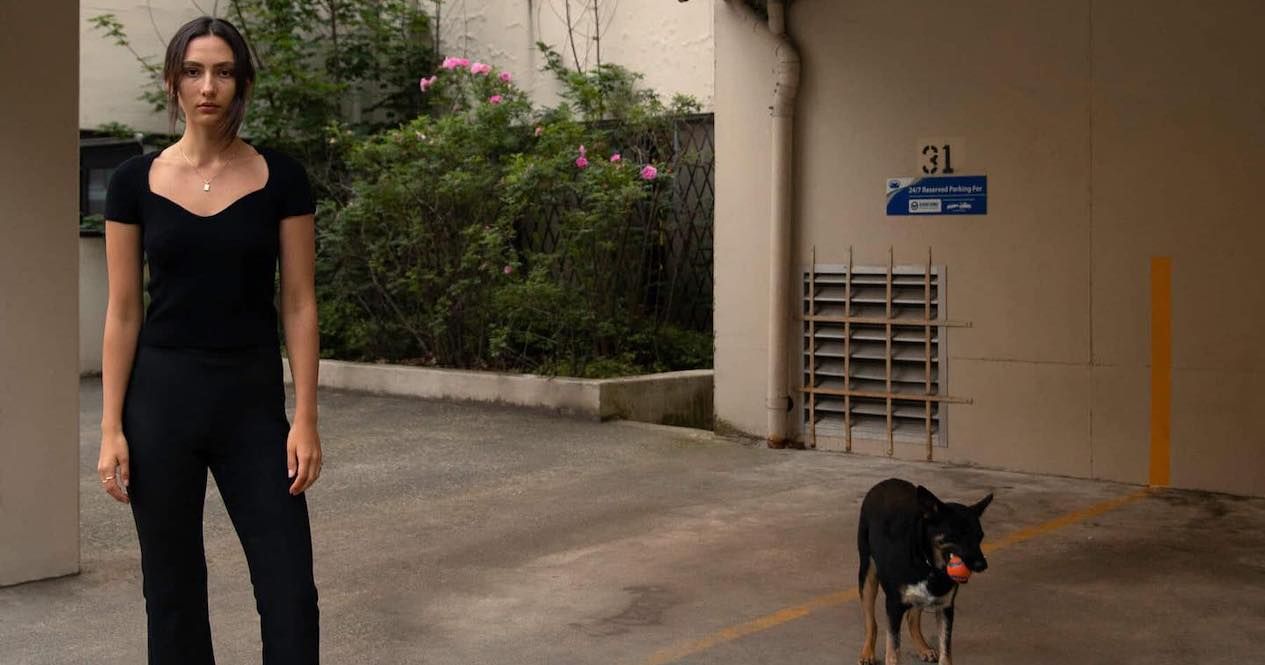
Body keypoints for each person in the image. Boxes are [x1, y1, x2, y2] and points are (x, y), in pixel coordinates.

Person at [99, 15, 322, 664]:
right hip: (160, 402)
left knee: (289, 589)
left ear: (242, 84)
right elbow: (123, 311)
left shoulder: (281, 178)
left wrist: (306, 416)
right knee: (171, 592)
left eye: (224, 72)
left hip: (251, 399)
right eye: (193, 72)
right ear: (173, 82)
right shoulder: (133, 183)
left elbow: (299, 302)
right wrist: (110, 427)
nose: (208, 87)